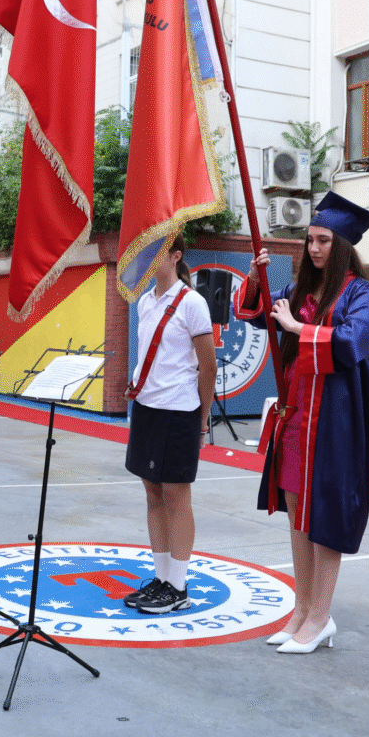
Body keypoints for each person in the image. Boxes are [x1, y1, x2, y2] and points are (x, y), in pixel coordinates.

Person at [235, 191, 369, 654]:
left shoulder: (359, 294)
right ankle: (301, 610)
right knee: (297, 508)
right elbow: (259, 313)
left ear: (341, 246)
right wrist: (257, 277)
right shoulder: (302, 290)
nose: (314, 248)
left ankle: (321, 617)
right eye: (310, 240)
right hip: (297, 414)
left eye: (323, 241)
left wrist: (299, 329)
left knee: (325, 514)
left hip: (335, 422)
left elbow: (355, 341)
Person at [122, 235, 216, 614]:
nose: (150, 258)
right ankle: (162, 579)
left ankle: (178, 587)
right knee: (152, 492)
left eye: (158, 252)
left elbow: (208, 366)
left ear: (176, 256)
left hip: (179, 410)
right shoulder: (146, 301)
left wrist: (202, 420)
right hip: (147, 407)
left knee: (177, 496)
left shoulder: (192, 303)